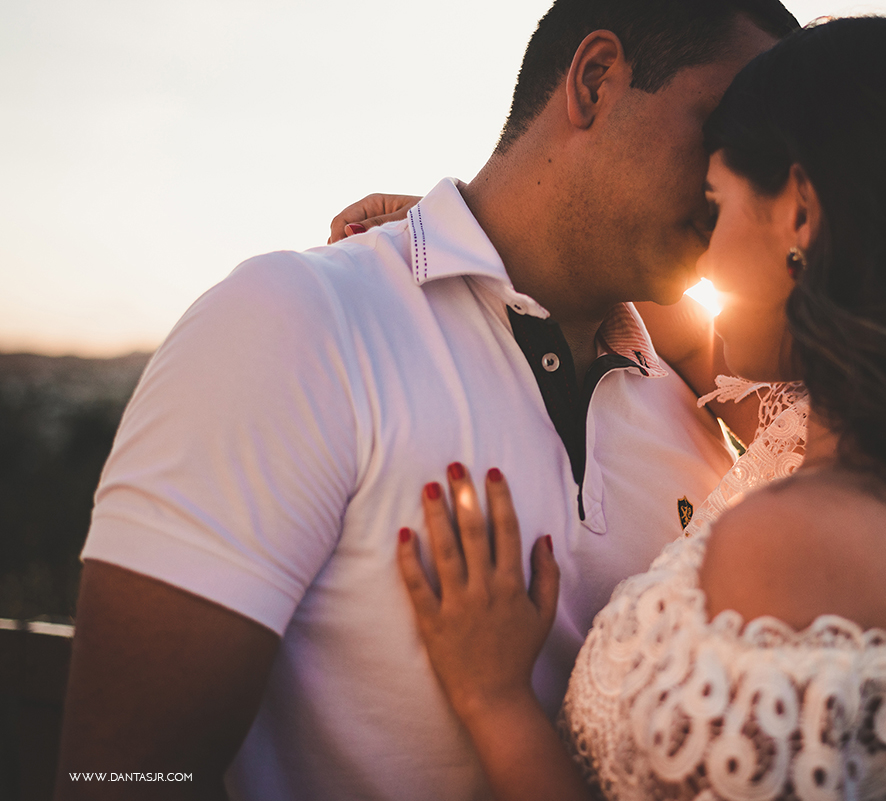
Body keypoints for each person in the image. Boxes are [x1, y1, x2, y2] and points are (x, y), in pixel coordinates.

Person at [388, 16, 886, 801]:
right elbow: (694, 343)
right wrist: (478, 239)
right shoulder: (883, 452)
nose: (705, 253)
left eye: (717, 204)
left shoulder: (797, 541)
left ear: (800, 213)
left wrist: (494, 699)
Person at [55, 2, 801, 799]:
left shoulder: (707, 399)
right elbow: (118, 776)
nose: (738, 185)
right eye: (723, 130)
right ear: (594, 81)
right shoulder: (295, 323)